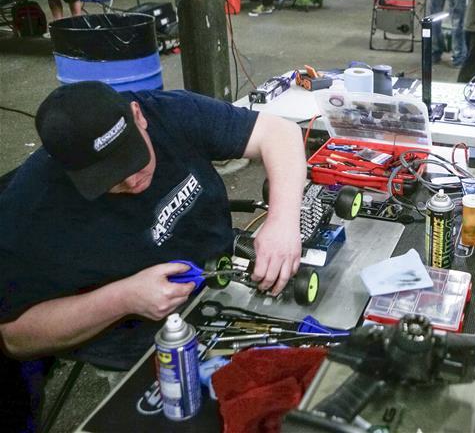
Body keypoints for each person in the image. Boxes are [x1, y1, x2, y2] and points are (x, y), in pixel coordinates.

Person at [0, 82, 305, 418]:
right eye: (109, 177)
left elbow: (279, 133)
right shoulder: (27, 211)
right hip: (137, 337)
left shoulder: (168, 111)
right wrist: (123, 298)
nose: (132, 181)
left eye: (133, 159)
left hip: (220, 279)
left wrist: (282, 220)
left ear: (137, 117)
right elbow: (15, 337)